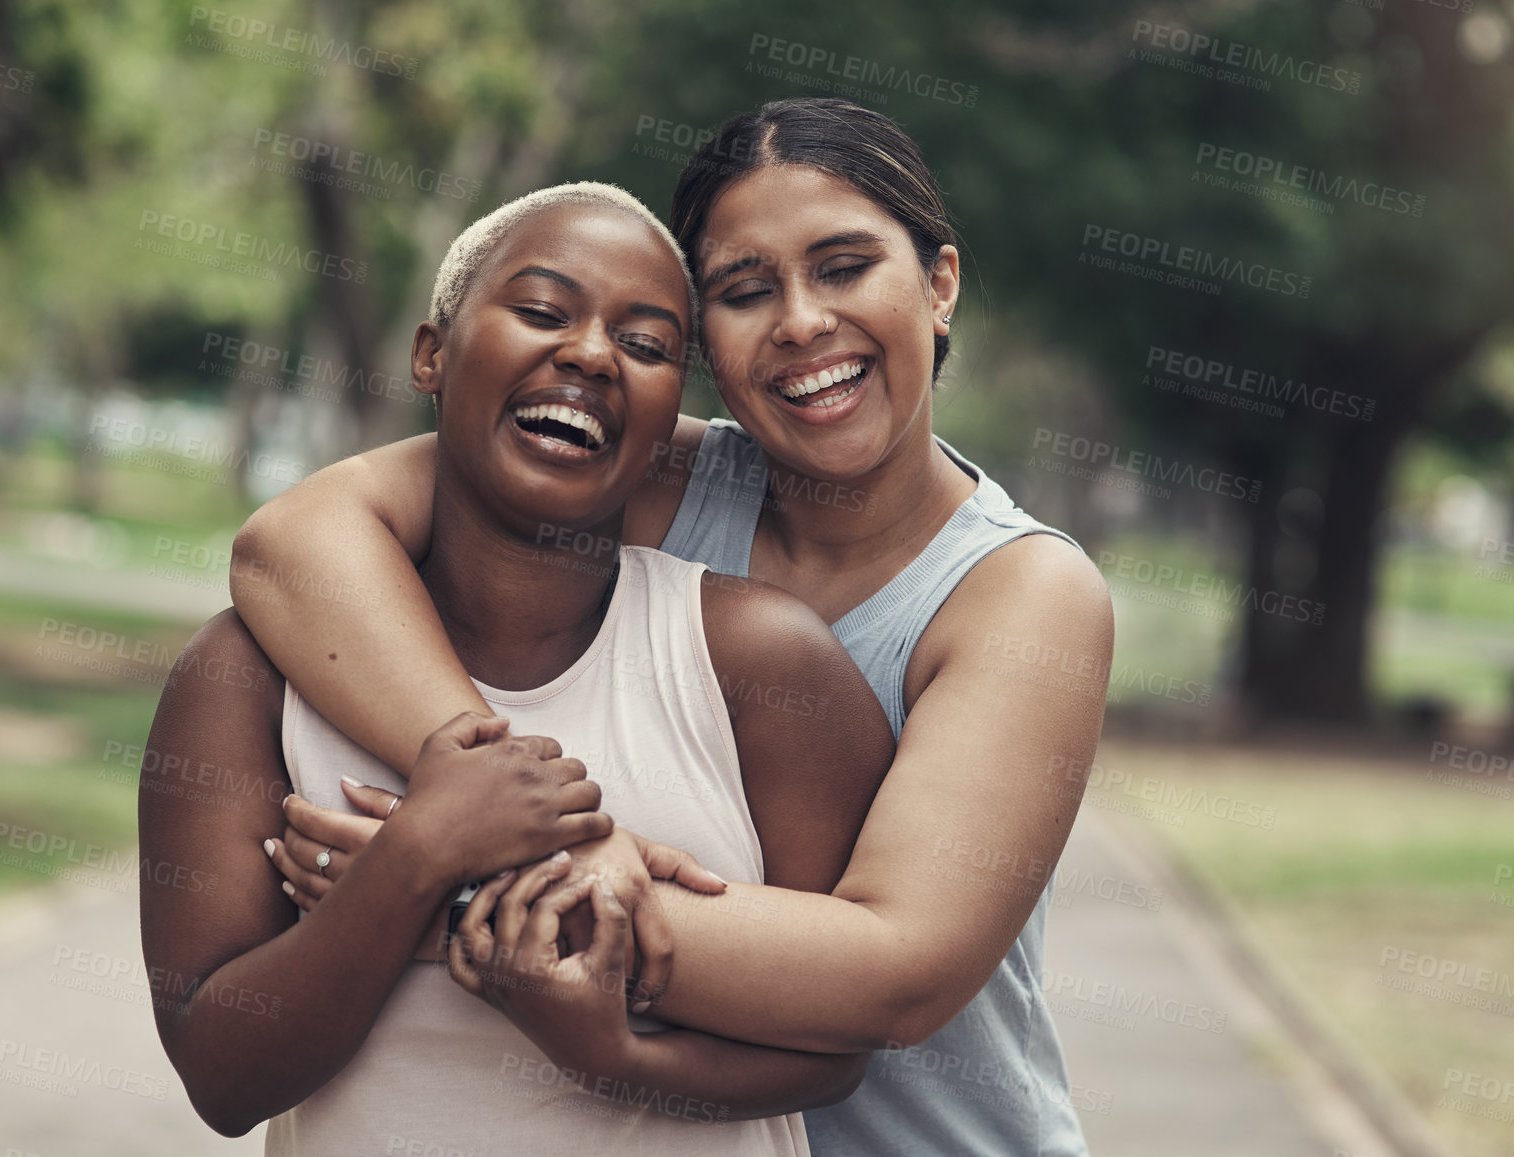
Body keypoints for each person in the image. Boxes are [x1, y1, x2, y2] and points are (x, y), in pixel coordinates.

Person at [234, 98, 1116, 1155]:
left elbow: (896, 972)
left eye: (841, 268)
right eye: (745, 291)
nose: (798, 322)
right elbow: (291, 542)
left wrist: (461, 884)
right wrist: (499, 795)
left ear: (938, 284)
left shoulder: (1022, 591)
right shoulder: (654, 480)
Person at [139, 180, 897, 1155]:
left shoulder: (761, 664)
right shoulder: (245, 673)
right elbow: (222, 1075)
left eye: (647, 343)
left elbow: (836, 1041)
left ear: (674, 419)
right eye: (541, 310)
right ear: (432, 353)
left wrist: (607, 1049)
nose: (588, 352)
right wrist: (420, 855)